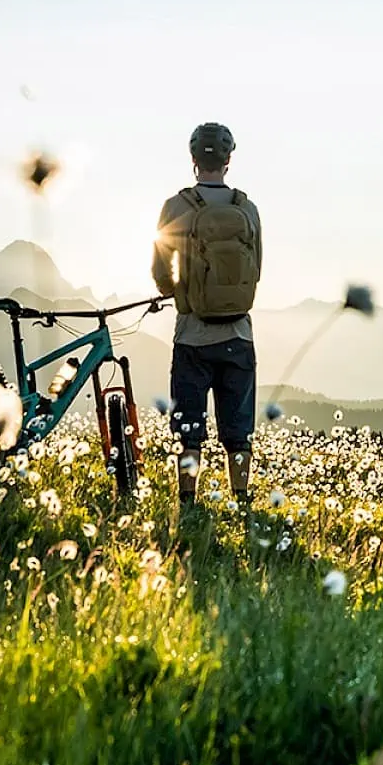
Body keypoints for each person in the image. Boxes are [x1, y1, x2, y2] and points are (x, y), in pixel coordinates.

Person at [151, 122, 263, 511]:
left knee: (190, 430)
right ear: (229, 160)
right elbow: (257, 270)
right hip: (238, 335)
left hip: (192, 337)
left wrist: (182, 291)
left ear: (193, 159)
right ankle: (241, 501)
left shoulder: (177, 206)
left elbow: (161, 273)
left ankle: (188, 503)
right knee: (238, 430)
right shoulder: (246, 209)